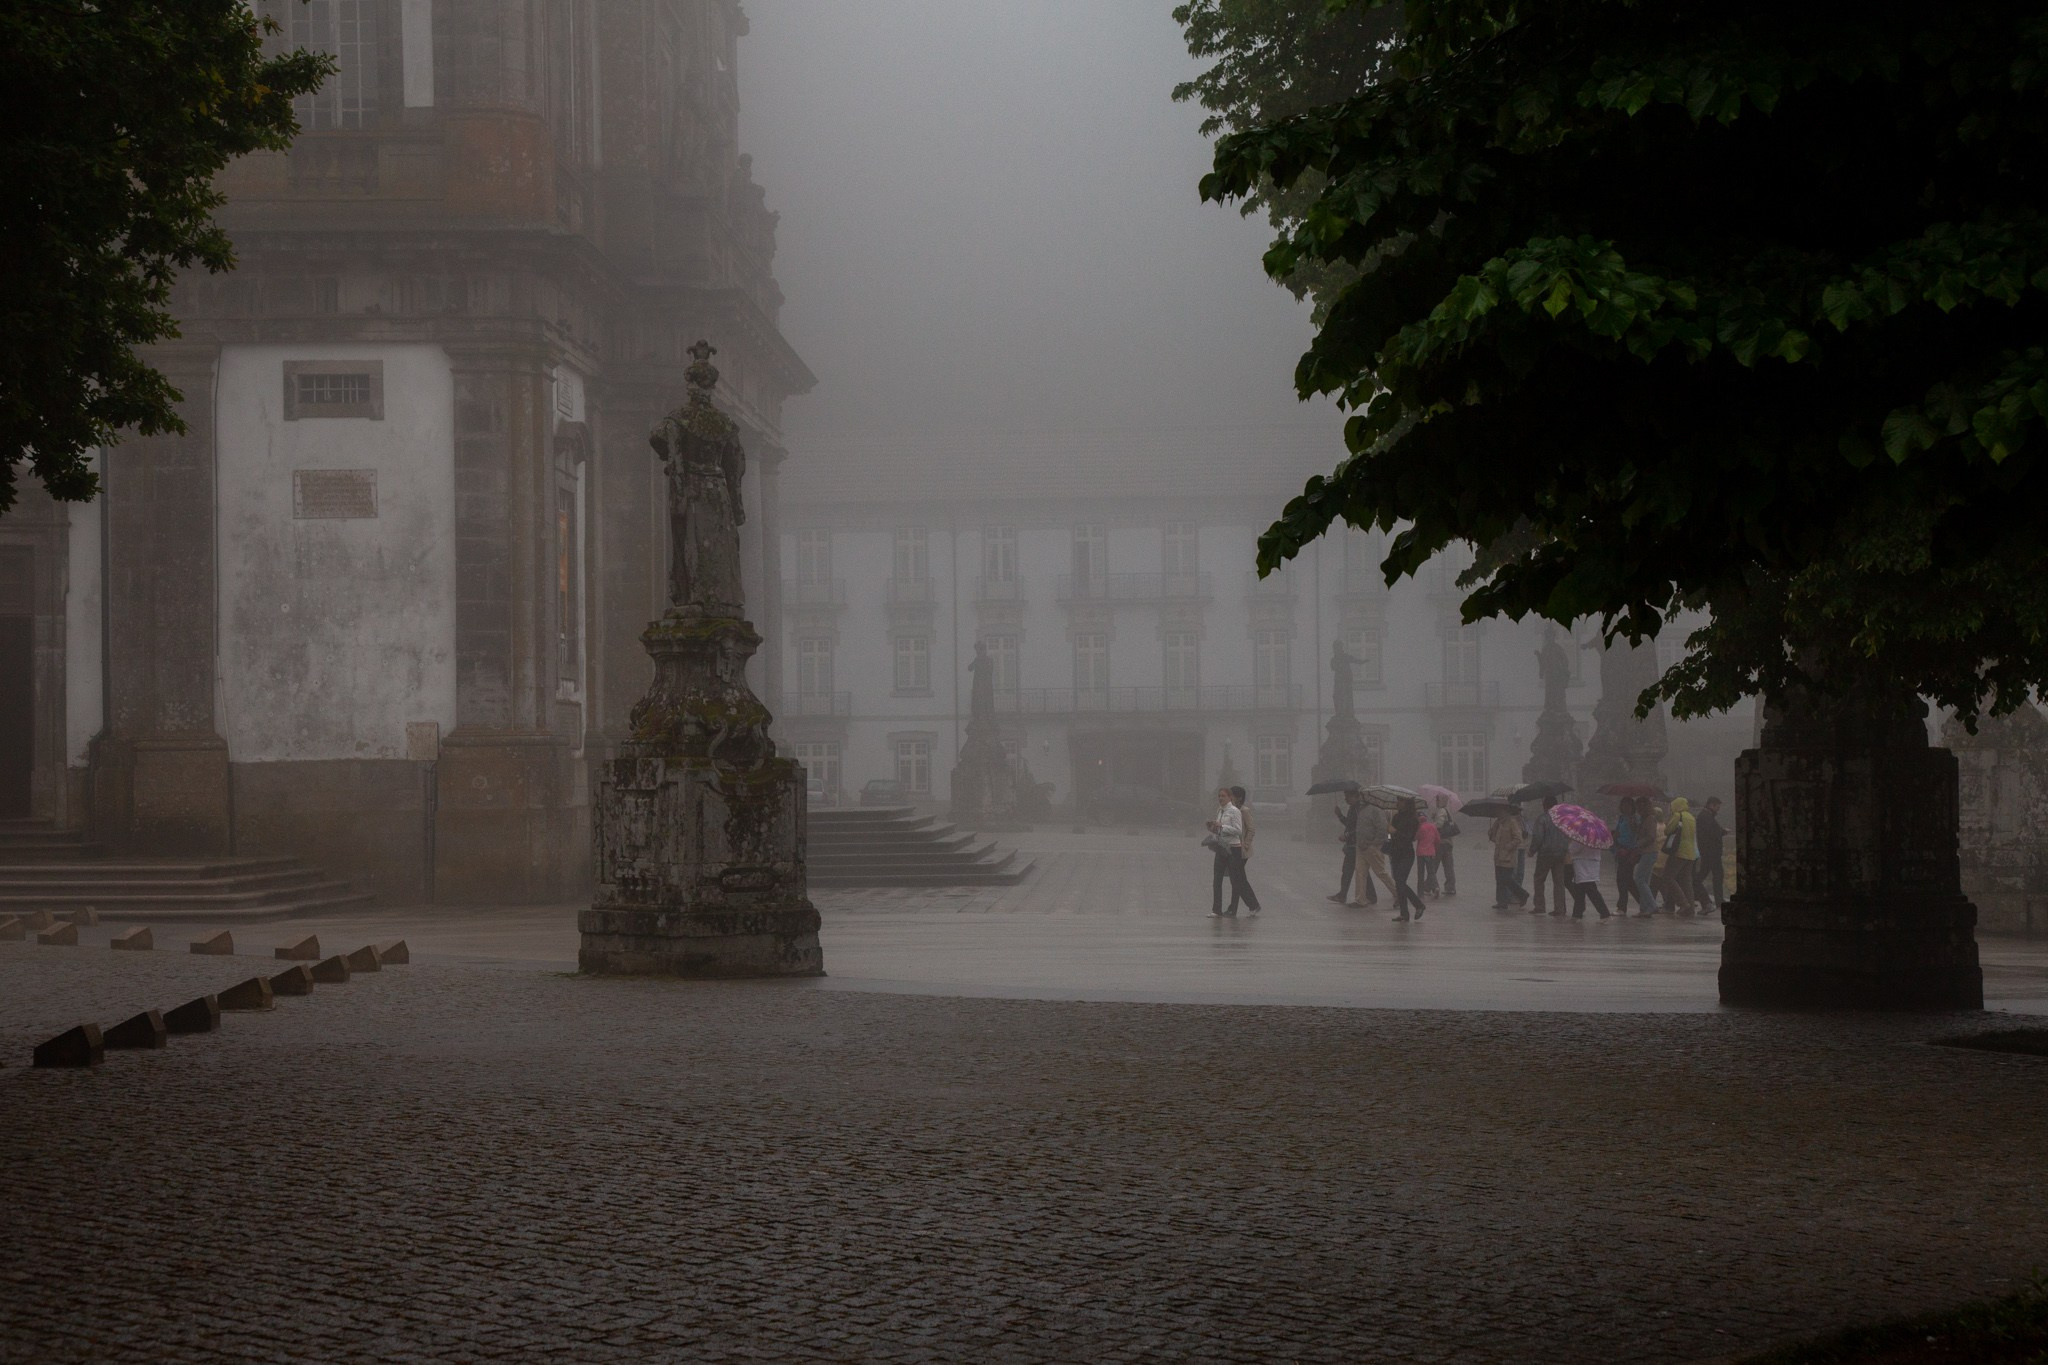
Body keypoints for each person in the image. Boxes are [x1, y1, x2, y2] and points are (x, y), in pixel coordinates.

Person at [1205, 786, 1259, 918]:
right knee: (1233, 879)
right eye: (1219, 796)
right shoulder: (1221, 810)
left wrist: (1245, 845)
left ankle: (1247, 906)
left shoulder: (1240, 811)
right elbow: (1220, 829)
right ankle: (1222, 909)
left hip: (1238, 850)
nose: (1221, 798)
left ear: (1234, 797)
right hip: (1223, 847)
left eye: (1225, 796)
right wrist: (1213, 828)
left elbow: (1248, 829)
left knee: (1238, 880)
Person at [1652, 797, 1698, 914]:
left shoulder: (1678, 815)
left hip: (1679, 852)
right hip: (1691, 853)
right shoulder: (1691, 817)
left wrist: (1670, 820)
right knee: (1686, 881)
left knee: (1668, 877)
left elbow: (1667, 831)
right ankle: (1690, 908)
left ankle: (1683, 903)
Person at [1528, 796, 1571, 917]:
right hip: (1561, 853)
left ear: (1545, 805)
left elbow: (1538, 837)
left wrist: (1532, 850)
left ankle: (1540, 906)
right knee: (1559, 881)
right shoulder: (1563, 819)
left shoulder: (1542, 818)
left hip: (1545, 853)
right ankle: (1560, 909)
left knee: (1539, 879)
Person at [1387, 797, 1428, 921]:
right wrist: (1389, 835)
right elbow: (1390, 835)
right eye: (1397, 800)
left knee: (1400, 881)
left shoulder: (1413, 819)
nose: (1398, 803)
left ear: (1407, 803)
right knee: (1399, 884)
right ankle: (1404, 913)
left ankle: (1418, 905)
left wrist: (1395, 832)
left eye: (1401, 801)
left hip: (1406, 854)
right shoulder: (1396, 817)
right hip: (1395, 853)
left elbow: (1409, 837)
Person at [1350, 798, 1395, 906]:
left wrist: (1375, 844)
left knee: (1381, 872)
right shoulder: (1361, 810)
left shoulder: (1376, 810)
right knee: (1360, 873)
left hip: (1372, 848)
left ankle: (1399, 893)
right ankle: (1360, 900)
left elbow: (1382, 828)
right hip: (1361, 847)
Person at [1227, 786, 1262, 916]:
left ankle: (1250, 905)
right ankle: (1238, 907)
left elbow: (1251, 829)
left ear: (1239, 797)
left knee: (1237, 879)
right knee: (1238, 879)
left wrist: (1245, 845)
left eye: (1232, 795)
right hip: (1232, 849)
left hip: (1241, 852)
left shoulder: (1244, 811)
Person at [1329, 790, 1365, 904]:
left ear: (1355, 796)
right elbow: (1349, 824)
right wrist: (1339, 815)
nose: (1345, 799)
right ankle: (1344, 894)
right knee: (1355, 871)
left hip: (1354, 845)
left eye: (1347, 797)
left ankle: (1343, 895)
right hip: (1351, 845)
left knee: (1349, 870)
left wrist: (1347, 835)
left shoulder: (1357, 810)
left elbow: (1360, 828)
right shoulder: (1352, 809)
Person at [1612, 797, 1646, 916]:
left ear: (1632, 807)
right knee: (1627, 881)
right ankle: (1645, 904)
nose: (1625, 808)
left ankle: (1622, 907)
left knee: (1623, 880)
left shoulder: (1635, 819)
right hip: (1620, 850)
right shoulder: (1621, 818)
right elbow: (1617, 832)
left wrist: (1634, 825)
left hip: (1629, 852)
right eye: (1623, 805)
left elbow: (1638, 833)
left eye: (1628, 805)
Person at [1489, 809, 1529, 909]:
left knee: (1507, 879)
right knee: (1499, 879)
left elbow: (1518, 838)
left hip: (1508, 856)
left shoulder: (1512, 822)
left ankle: (1522, 894)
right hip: (1498, 856)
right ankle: (1501, 902)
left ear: (1505, 811)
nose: (1497, 813)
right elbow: (1495, 839)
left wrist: (1509, 846)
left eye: (1499, 811)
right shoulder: (1498, 823)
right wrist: (1491, 834)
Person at [1695, 796, 1728, 911]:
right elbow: (1710, 833)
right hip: (1710, 852)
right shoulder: (1705, 816)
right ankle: (1709, 899)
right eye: (1717, 807)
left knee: (1716, 875)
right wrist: (1721, 832)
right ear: (1711, 805)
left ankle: (1718, 900)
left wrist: (1721, 832)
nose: (1718, 809)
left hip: (1711, 852)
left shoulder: (1708, 816)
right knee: (1704, 876)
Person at [1568, 836, 1612, 919]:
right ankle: (1577, 914)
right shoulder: (1597, 837)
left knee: (1590, 889)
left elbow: (1573, 849)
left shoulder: (1580, 835)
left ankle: (1605, 914)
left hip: (1582, 865)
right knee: (1580, 890)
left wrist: (1571, 843)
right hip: (1593, 864)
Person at [1433, 795, 1460, 896]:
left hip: (1441, 843)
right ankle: (1450, 888)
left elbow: (1439, 825)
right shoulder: (1448, 811)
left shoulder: (1441, 811)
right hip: (1449, 843)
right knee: (1448, 867)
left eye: (1437, 799)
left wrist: (1432, 824)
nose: (1436, 801)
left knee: (1433, 866)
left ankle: (1429, 886)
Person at [1416, 811, 1441, 897]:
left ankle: (1420, 892)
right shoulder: (1433, 826)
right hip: (1431, 852)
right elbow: (1438, 839)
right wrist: (1434, 849)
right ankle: (1436, 887)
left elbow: (1416, 837)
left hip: (1420, 853)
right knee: (1431, 872)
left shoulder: (1420, 827)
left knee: (1420, 873)